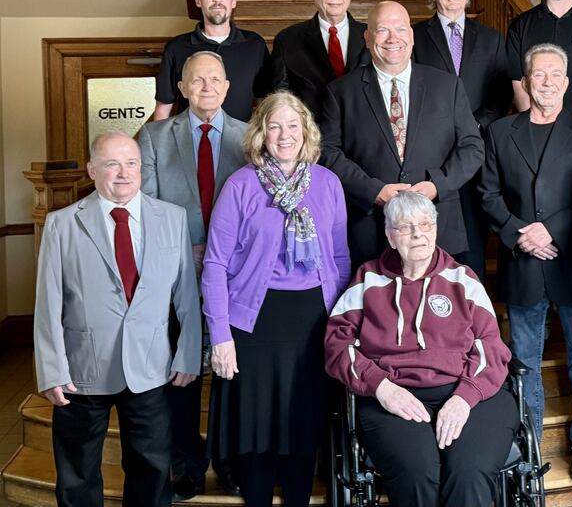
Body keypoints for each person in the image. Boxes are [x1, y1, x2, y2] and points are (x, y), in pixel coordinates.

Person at [33, 131, 201, 507]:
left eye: (131, 163)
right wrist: (51, 369)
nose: (123, 173)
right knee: (77, 474)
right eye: (112, 164)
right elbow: (48, 304)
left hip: (151, 366)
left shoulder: (172, 218)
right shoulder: (62, 224)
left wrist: (189, 353)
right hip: (81, 371)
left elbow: (186, 296)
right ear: (93, 170)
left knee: (153, 469)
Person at [201, 92, 350, 506]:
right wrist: (220, 336)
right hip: (253, 322)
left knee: (303, 426)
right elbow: (214, 264)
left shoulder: (327, 183)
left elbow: (339, 258)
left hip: (312, 320)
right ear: (261, 134)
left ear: (306, 132)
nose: (284, 135)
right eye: (274, 126)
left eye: (292, 126)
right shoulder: (240, 185)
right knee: (257, 430)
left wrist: (338, 326)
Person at [325, 190, 518, 507]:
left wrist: (465, 396)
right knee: (417, 470)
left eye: (426, 224)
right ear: (390, 235)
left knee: (468, 471)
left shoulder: (462, 279)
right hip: (394, 395)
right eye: (405, 226)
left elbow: (491, 347)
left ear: (436, 230)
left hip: (470, 392)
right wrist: (381, 387)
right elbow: (337, 345)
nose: (418, 234)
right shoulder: (367, 279)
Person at [479, 43, 572, 478]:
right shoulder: (500, 132)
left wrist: (550, 229)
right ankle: (530, 445)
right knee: (525, 361)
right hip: (523, 264)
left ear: (568, 82)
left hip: (571, 261)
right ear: (527, 81)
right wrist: (521, 233)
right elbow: (488, 194)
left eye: (556, 74)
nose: (548, 82)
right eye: (539, 74)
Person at [139, 50, 248, 500]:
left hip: (236, 276)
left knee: (230, 373)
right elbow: (144, 205)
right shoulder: (153, 137)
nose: (206, 87)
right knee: (180, 375)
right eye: (196, 80)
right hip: (173, 273)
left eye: (215, 79)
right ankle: (185, 463)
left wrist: (221, 252)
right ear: (181, 88)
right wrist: (187, 249)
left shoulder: (249, 139)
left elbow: (259, 208)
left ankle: (228, 463)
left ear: (227, 86)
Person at [320, 0, 484, 269]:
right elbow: (327, 153)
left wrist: (437, 185)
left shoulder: (447, 86)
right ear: (368, 37)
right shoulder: (340, 92)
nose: (393, 38)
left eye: (400, 29)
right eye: (383, 30)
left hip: (438, 224)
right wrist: (373, 191)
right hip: (371, 227)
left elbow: (472, 147)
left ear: (411, 35)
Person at [413, 0, 511, 279]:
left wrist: (472, 127)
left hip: (478, 154)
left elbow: (500, 95)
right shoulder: (414, 38)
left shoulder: (492, 38)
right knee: (429, 240)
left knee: (473, 243)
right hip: (431, 155)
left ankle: (472, 315)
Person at [155, 0, 270, 122]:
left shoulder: (255, 45)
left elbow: (264, 101)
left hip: (239, 142)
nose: (218, 0)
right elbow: (163, 107)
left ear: (233, 1)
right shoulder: (176, 47)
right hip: (189, 141)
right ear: (198, 0)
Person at [270, 0, 371, 119]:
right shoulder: (287, 40)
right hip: (312, 135)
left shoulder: (372, 35)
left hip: (362, 133)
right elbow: (280, 97)